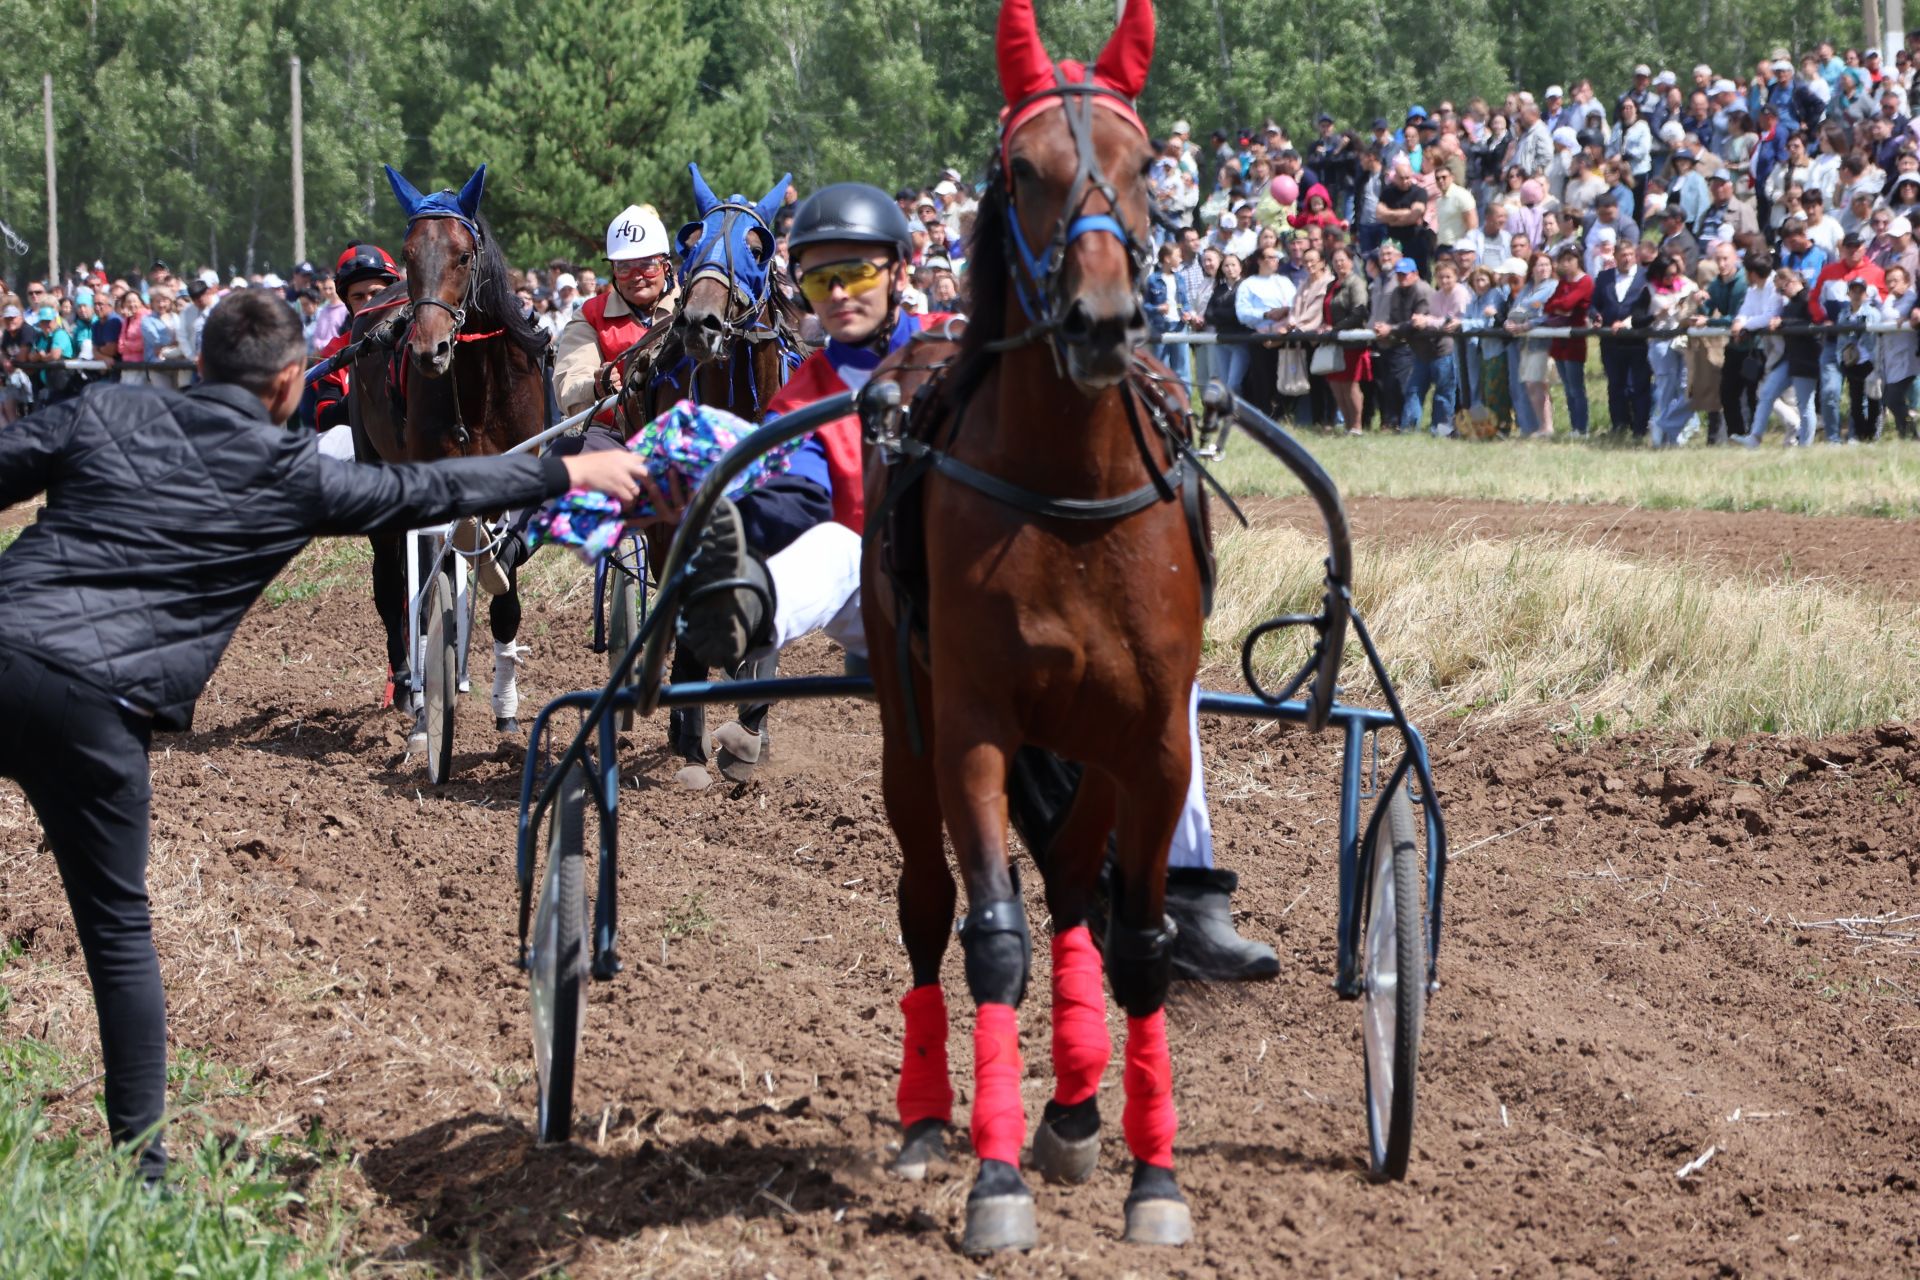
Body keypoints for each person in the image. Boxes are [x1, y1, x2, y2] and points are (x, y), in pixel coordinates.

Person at [0, 290, 650, 1185]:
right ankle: (141, 1175)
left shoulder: (105, 407)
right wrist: (564, 470)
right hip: (98, 713)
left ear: (198, 367)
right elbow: (430, 487)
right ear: (290, 386)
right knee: (116, 932)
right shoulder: (290, 473)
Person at [673, 181, 1279, 981]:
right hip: (884, 591)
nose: (841, 295)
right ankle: (746, 610)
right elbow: (797, 494)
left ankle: (1192, 890)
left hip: (1001, 589)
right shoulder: (804, 395)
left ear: (900, 270)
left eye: (856, 274)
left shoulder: (960, 351)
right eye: (821, 282)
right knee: (828, 544)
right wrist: (750, 527)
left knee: (1167, 679)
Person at [552, 204, 678, 430]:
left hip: (684, 432)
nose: (636, 276)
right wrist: (594, 387)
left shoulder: (692, 307)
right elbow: (569, 379)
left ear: (665, 266)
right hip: (613, 435)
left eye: (647, 265)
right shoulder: (590, 315)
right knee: (566, 453)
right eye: (624, 267)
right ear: (613, 270)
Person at [304, 243, 402, 458]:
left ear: (395, 293)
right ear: (347, 302)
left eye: (377, 293)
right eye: (358, 297)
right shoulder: (335, 352)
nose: (370, 304)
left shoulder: (420, 341)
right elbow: (326, 419)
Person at [1739, 266, 1820, 446]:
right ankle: (1755, 437)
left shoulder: (1809, 299)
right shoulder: (1790, 303)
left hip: (1806, 358)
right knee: (1767, 392)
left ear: (1790, 282)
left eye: (1781, 289)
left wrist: (1783, 322)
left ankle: (1805, 446)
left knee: (1805, 405)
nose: (1780, 293)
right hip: (1790, 358)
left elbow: (1813, 322)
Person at [1593, 236, 1652, 438]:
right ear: (1615, 257)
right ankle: (1619, 425)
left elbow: (1647, 308)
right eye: (1622, 255)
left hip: (1637, 340)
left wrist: (1630, 321)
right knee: (1615, 385)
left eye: (1629, 255)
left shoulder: (1646, 277)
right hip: (1611, 341)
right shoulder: (1604, 277)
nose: (1626, 259)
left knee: (1639, 385)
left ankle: (1640, 428)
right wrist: (1595, 316)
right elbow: (1593, 304)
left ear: (1635, 256)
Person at [1543, 245, 1594, 435]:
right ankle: (1575, 427)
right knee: (1567, 388)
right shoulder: (1563, 283)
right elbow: (1549, 305)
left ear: (1578, 260)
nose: (1566, 264)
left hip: (1574, 340)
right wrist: (1560, 308)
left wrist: (1561, 307)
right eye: (1563, 260)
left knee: (1576, 387)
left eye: (1569, 259)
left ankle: (1583, 427)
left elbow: (1568, 303)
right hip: (1558, 341)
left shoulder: (1585, 281)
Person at [1322, 244, 1372, 433]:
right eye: (1335, 261)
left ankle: (1356, 426)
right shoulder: (1330, 285)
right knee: (1336, 385)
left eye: (1343, 260)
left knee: (1350, 384)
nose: (1339, 264)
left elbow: (1359, 312)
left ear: (1351, 262)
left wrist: (1335, 328)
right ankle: (1347, 425)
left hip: (1352, 341)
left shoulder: (1356, 283)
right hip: (1334, 342)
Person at [1878, 264, 1919, 440]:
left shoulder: (1911, 299)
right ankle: (1906, 435)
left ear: (1907, 282)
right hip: (1894, 360)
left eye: (1896, 280)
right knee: (1891, 399)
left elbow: (1888, 316)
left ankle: (1911, 433)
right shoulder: (1892, 300)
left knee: (1894, 399)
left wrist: (1887, 300)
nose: (1892, 285)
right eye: (1888, 282)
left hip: (1910, 360)